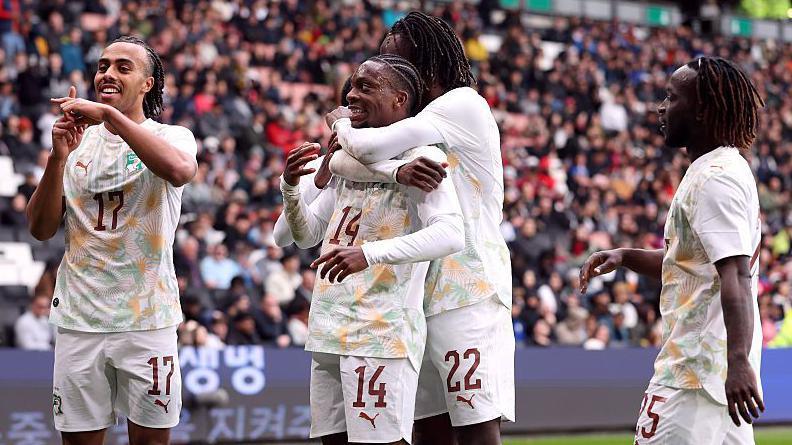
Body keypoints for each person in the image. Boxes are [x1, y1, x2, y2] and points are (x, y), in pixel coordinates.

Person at [326, 12, 514, 444]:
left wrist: (339, 121)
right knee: (429, 425)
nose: (388, 65)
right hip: (418, 283)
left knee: (474, 418)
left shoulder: (461, 102)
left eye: (396, 56)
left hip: (468, 280)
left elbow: (365, 147)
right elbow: (350, 162)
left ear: (425, 59)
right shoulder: (414, 121)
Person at [580, 57, 765, 444]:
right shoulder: (718, 168)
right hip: (712, 379)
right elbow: (695, 268)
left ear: (702, 110)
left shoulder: (716, 179)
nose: (660, 107)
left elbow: (736, 275)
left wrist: (738, 363)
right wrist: (627, 256)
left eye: (671, 97)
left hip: (693, 378)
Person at [281, 55, 464, 445]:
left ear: (400, 100)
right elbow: (305, 233)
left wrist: (370, 253)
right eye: (352, 86)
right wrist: (291, 188)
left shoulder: (423, 157)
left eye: (366, 87)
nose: (351, 95)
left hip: (381, 329)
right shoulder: (349, 161)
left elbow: (451, 234)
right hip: (329, 324)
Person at [26, 36, 197, 444]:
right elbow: (40, 228)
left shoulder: (173, 136)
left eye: (123, 67)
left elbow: (178, 170)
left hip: (147, 319)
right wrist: (58, 157)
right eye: (103, 65)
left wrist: (106, 115)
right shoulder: (77, 141)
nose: (108, 73)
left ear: (147, 84)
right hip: (79, 321)